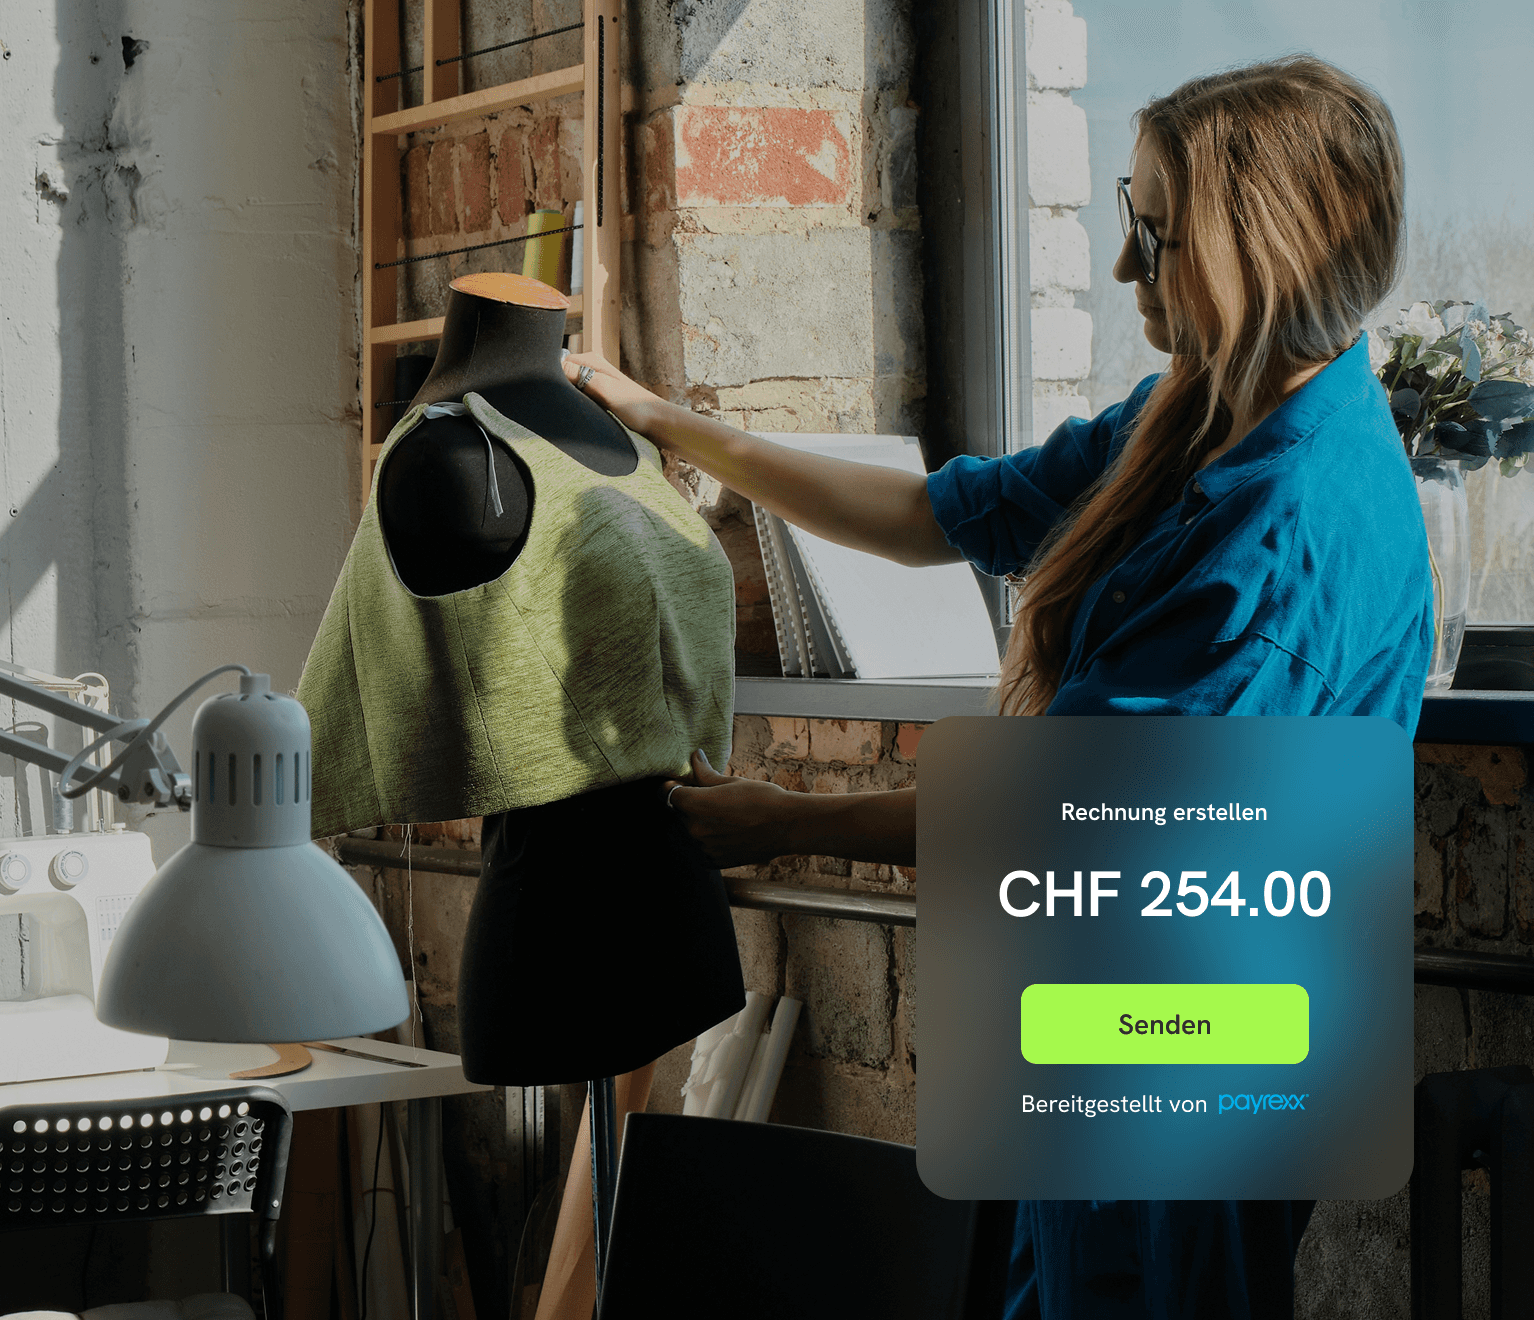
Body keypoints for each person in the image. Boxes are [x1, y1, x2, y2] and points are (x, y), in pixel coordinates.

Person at [558, 55, 1423, 1320]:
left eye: (1155, 233)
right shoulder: (1196, 411)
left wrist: (784, 818)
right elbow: (925, 516)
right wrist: (666, 422)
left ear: (1263, 248)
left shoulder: (1285, 539)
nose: (1126, 268)